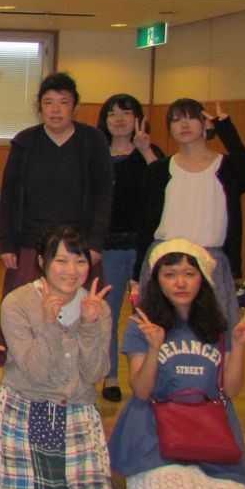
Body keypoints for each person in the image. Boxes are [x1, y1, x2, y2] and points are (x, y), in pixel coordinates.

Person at [108, 239, 245, 489]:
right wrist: (154, 347)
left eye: (189, 274)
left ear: (203, 278)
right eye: (170, 274)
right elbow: (141, 391)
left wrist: (239, 346)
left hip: (209, 431)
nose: (180, 283)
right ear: (157, 280)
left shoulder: (218, 325)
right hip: (157, 433)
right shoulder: (143, 324)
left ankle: (199, 481)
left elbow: (230, 390)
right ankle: (155, 482)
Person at [0, 225, 128, 489]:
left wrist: (89, 326)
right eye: (61, 261)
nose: (71, 271)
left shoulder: (98, 306)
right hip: (25, 406)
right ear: (42, 261)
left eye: (79, 261)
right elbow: (34, 373)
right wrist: (49, 325)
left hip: (77, 407)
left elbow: (95, 374)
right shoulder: (18, 302)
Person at [138, 100, 245, 334]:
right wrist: (137, 272)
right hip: (164, 258)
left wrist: (226, 131)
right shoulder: (159, 170)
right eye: (176, 120)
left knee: (215, 333)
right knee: (160, 333)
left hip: (211, 260)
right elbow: (145, 223)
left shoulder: (226, 167)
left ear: (205, 123)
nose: (183, 124)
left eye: (190, 117)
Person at [0, 72, 112, 297]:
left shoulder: (93, 141)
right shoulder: (24, 142)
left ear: (75, 107)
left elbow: (104, 194)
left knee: (82, 311)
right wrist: (6, 242)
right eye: (48, 102)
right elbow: (9, 196)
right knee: (24, 310)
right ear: (39, 107)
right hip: (31, 245)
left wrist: (96, 242)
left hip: (78, 245)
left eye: (63, 102)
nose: (56, 109)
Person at [96, 94, 164, 402]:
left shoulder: (149, 151)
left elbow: (165, 183)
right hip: (107, 246)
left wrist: (145, 149)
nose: (119, 119)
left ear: (138, 118)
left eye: (126, 112)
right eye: (112, 113)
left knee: (145, 313)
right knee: (106, 314)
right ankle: (110, 376)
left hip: (143, 245)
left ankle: (146, 371)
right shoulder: (98, 153)